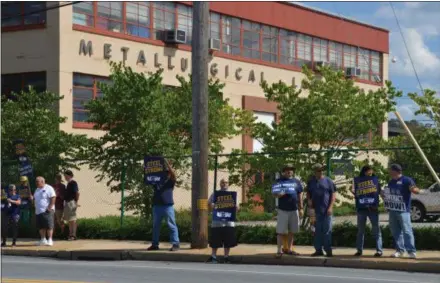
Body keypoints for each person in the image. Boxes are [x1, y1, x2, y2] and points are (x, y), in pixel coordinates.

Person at [384, 164, 419, 259]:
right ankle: (400, 251)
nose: (389, 172)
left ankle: (411, 252)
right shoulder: (391, 182)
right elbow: (389, 195)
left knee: (407, 231)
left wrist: (414, 190)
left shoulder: (407, 180)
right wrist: (384, 196)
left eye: (390, 170)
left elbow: (415, 189)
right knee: (396, 231)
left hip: (404, 211)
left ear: (395, 171)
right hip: (393, 210)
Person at [147, 159, 180, 251]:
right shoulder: (156, 181)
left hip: (167, 206)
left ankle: (175, 244)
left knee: (171, 225)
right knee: (156, 226)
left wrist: (168, 166)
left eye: (167, 172)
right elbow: (148, 176)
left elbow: (174, 175)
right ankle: (155, 244)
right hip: (157, 206)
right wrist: (146, 167)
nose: (166, 174)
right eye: (165, 172)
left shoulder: (170, 182)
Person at [273, 164, 303, 258]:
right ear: (284, 171)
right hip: (283, 210)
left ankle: (289, 249)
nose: (289, 171)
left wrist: (301, 207)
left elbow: (300, 194)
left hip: (294, 210)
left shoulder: (296, 182)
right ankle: (279, 250)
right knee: (280, 231)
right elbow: (274, 194)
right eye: (287, 170)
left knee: (292, 231)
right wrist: (279, 195)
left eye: (291, 170)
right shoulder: (279, 181)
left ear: (293, 172)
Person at [353, 165, 383, 257]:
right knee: (360, 230)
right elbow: (354, 191)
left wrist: (386, 199)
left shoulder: (375, 180)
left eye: (371, 171)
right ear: (364, 172)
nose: (370, 173)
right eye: (368, 171)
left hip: (373, 209)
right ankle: (359, 250)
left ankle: (379, 250)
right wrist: (355, 192)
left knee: (376, 230)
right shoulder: (358, 180)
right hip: (361, 209)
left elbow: (380, 191)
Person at [307, 163, 337, 257]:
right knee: (316, 231)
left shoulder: (328, 181)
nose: (320, 172)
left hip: (326, 210)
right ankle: (318, 250)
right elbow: (308, 193)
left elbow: (333, 194)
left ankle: (328, 250)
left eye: (321, 170)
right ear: (314, 171)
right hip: (315, 211)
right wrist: (309, 200)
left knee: (327, 230)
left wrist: (331, 207)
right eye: (318, 170)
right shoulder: (311, 182)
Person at [206, 179, 237, 263]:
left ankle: (226, 257)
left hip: (229, 222)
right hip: (217, 222)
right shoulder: (215, 194)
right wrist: (211, 205)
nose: (224, 184)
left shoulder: (232, 195)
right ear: (220, 184)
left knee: (228, 241)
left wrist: (235, 208)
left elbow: (236, 208)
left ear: (228, 184)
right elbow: (208, 205)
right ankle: (213, 256)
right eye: (222, 182)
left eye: (226, 182)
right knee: (215, 240)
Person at [33, 176, 56, 246]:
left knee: (49, 225)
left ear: (42, 181)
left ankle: (50, 240)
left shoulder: (49, 188)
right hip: (38, 211)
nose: (36, 183)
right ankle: (43, 239)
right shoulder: (37, 189)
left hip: (47, 211)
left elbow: (53, 197)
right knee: (41, 226)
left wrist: (50, 207)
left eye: (37, 181)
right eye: (36, 181)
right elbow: (35, 199)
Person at [63, 170, 80, 241]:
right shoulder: (68, 183)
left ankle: (74, 235)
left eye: (66, 176)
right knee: (69, 220)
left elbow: (77, 193)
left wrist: (76, 202)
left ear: (69, 175)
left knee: (73, 219)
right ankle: (70, 234)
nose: (65, 177)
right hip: (67, 202)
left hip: (71, 202)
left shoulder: (73, 183)